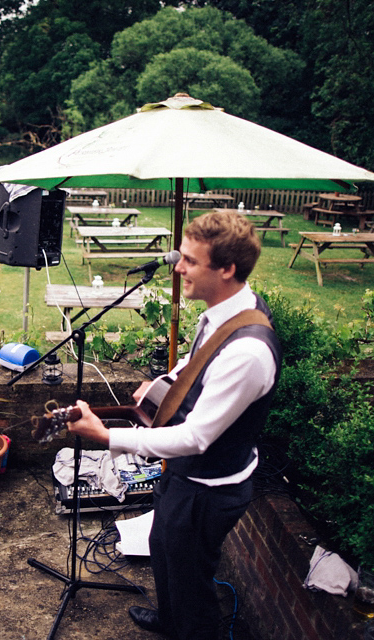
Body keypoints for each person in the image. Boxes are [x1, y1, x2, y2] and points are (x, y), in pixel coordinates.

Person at [67, 210, 281, 640]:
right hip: (185, 479)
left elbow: (196, 437)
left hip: (208, 489)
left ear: (226, 269)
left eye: (189, 261)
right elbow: (199, 357)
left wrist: (109, 437)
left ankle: (192, 630)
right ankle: (170, 620)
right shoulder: (226, 308)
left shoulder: (249, 354)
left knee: (191, 579)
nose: (178, 267)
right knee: (164, 550)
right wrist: (166, 382)